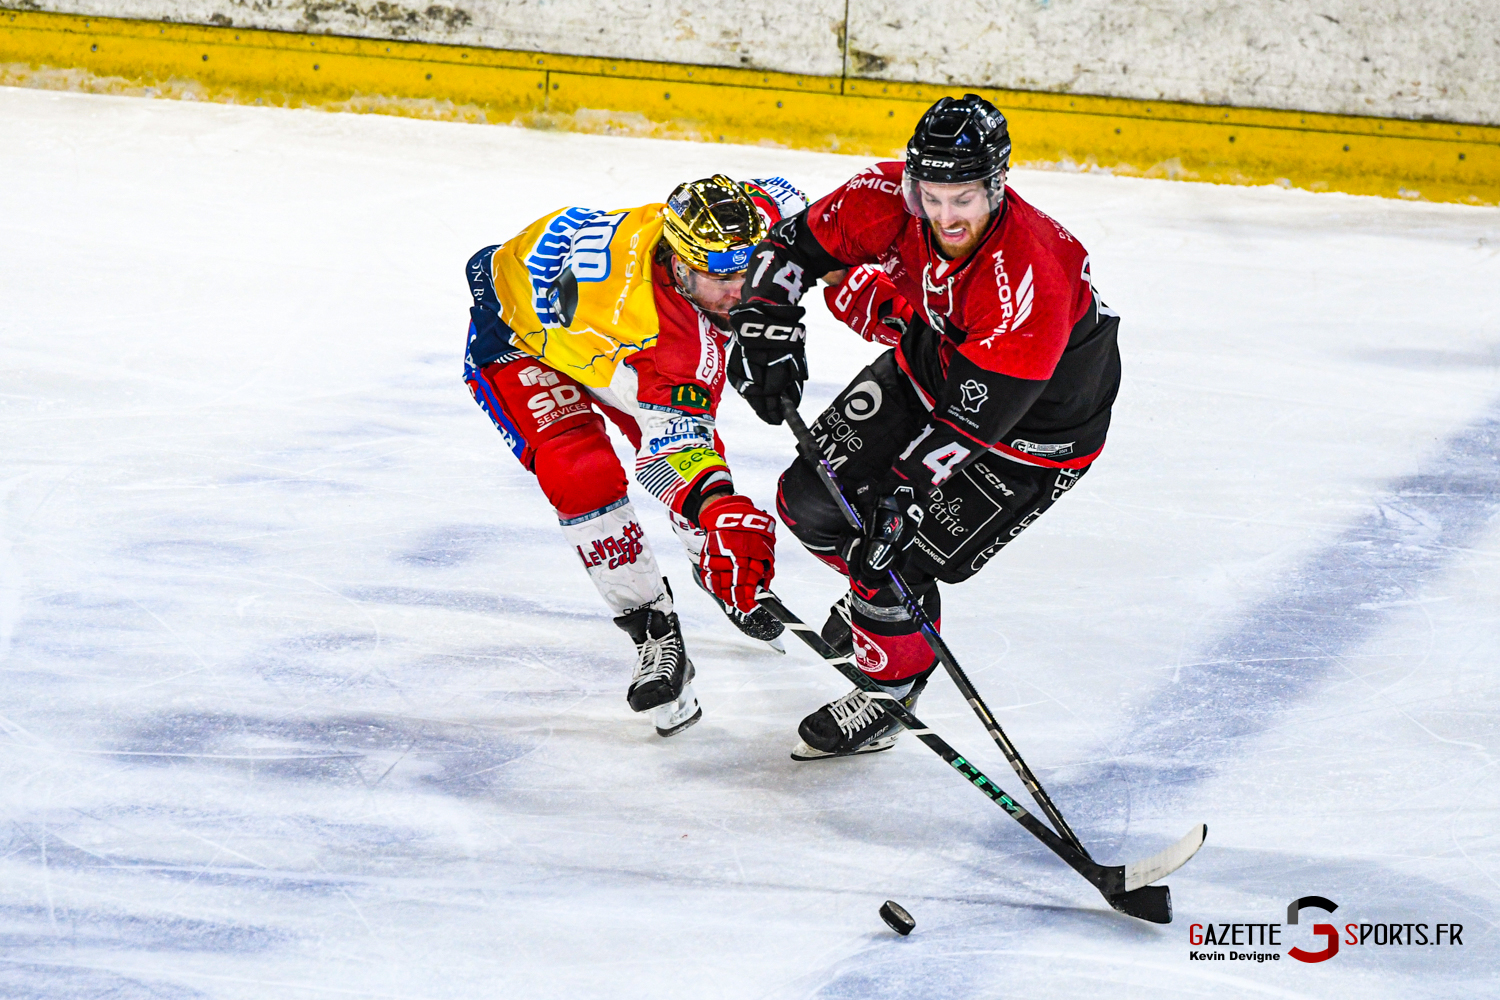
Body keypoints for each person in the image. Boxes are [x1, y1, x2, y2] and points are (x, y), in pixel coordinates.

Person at [727, 95, 1121, 759]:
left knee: (897, 553)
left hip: (1033, 432)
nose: (944, 215)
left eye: (962, 198)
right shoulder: (884, 196)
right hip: (933, 364)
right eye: (931, 195)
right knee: (811, 503)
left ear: (996, 186)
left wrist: (904, 488)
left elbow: (977, 416)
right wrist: (766, 315)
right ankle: (875, 607)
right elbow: (793, 246)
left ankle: (891, 688)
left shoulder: (1029, 275)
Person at [463, 175, 808, 737]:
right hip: (515, 338)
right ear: (678, 264)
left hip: (598, 341)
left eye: (749, 272)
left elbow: (807, 210)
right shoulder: (669, 340)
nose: (740, 293)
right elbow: (673, 453)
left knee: (698, 455)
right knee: (581, 472)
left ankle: (714, 567)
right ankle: (653, 628)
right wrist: (720, 509)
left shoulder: (744, 218)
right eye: (721, 278)